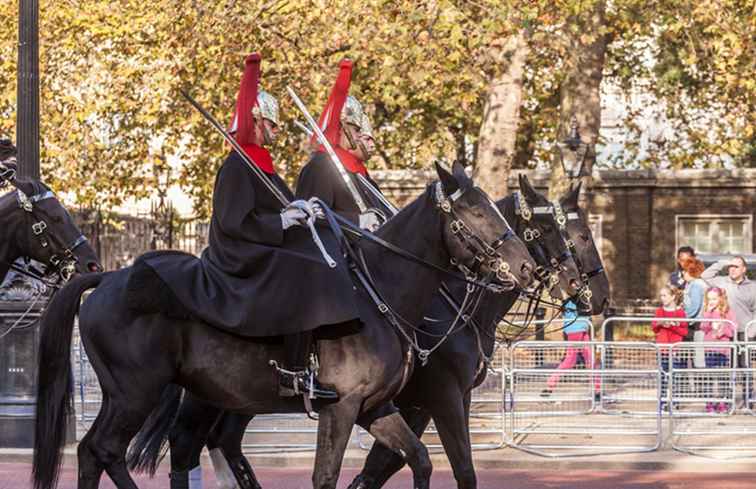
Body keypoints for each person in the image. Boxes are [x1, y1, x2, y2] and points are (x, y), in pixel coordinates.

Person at [138, 54, 361, 399]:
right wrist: (282, 221)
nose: (276, 130)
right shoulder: (236, 167)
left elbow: (276, 206)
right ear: (254, 123)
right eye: (270, 125)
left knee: (318, 257)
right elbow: (234, 221)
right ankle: (294, 368)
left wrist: (297, 210)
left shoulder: (260, 164)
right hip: (239, 250)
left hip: (262, 242)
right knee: (302, 267)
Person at [295, 59, 392, 230]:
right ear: (343, 128)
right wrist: (358, 221)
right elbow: (313, 215)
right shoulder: (321, 166)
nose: (358, 135)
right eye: (355, 129)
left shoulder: (354, 170)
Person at [541, 299, 599, 400]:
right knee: (571, 360)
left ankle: (597, 390)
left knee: (590, 359)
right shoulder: (574, 298)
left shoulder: (571, 299)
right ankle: (550, 384)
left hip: (581, 328)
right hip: (576, 329)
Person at [651, 285, 688, 409]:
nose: (662, 298)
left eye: (665, 295)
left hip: (675, 349)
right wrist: (661, 323)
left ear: (673, 297)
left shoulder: (680, 312)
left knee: (675, 377)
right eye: (661, 296)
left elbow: (684, 331)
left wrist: (672, 325)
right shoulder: (660, 311)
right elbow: (654, 328)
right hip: (662, 348)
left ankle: (674, 401)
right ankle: (661, 401)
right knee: (662, 376)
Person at [701, 256, 756, 341]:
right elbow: (705, 276)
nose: (732, 269)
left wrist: (752, 331)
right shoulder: (721, 281)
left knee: (746, 355)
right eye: (730, 266)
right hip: (725, 332)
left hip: (745, 332)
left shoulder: (753, 287)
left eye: (736, 267)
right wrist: (721, 263)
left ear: (744, 269)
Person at [700, 287, 735, 413]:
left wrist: (721, 331)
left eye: (714, 299)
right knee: (709, 376)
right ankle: (709, 402)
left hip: (723, 349)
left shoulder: (727, 311)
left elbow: (732, 329)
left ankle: (723, 402)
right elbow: (703, 327)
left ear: (720, 298)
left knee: (723, 377)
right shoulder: (707, 311)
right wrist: (708, 313)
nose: (712, 301)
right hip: (710, 349)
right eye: (709, 299)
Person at [681, 257, 707, 369]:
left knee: (699, 356)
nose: (683, 273)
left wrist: (680, 318)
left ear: (691, 271)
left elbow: (694, 308)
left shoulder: (696, 285)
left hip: (698, 325)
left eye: (685, 270)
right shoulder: (691, 284)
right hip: (696, 323)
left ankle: (701, 382)